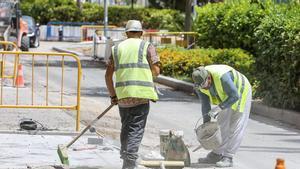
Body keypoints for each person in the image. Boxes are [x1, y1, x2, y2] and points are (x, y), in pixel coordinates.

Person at [105, 20, 160, 169]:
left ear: (126, 33)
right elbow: (156, 71)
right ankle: (129, 163)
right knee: (136, 129)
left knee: (126, 127)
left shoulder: (116, 48)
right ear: (141, 33)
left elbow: (108, 76)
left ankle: (126, 160)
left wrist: (113, 96)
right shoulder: (147, 46)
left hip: (123, 97)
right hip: (140, 96)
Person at [192, 64, 252, 167]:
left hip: (240, 91)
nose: (204, 87)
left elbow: (235, 96)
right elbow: (205, 104)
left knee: (236, 125)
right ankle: (216, 154)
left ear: (209, 77)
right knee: (221, 123)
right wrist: (206, 125)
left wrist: (219, 108)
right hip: (226, 95)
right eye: (202, 86)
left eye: (205, 84)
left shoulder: (222, 77)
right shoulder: (199, 85)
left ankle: (228, 157)